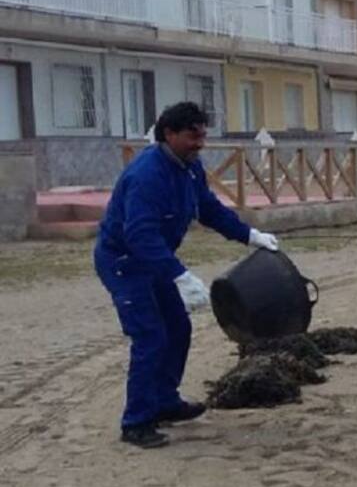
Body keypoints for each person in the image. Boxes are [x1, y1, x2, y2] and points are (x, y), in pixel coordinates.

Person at [94, 102, 280, 449]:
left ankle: (165, 400)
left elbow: (209, 209)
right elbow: (139, 235)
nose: (199, 144)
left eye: (203, 136)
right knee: (150, 336)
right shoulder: (146, 176)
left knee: (178, 328)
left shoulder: (189, 169)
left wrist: (250, 236)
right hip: (124, 262)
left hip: (155, 260)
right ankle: (136, 422)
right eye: (192, 136)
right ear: (169, 134)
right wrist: (179, 275)